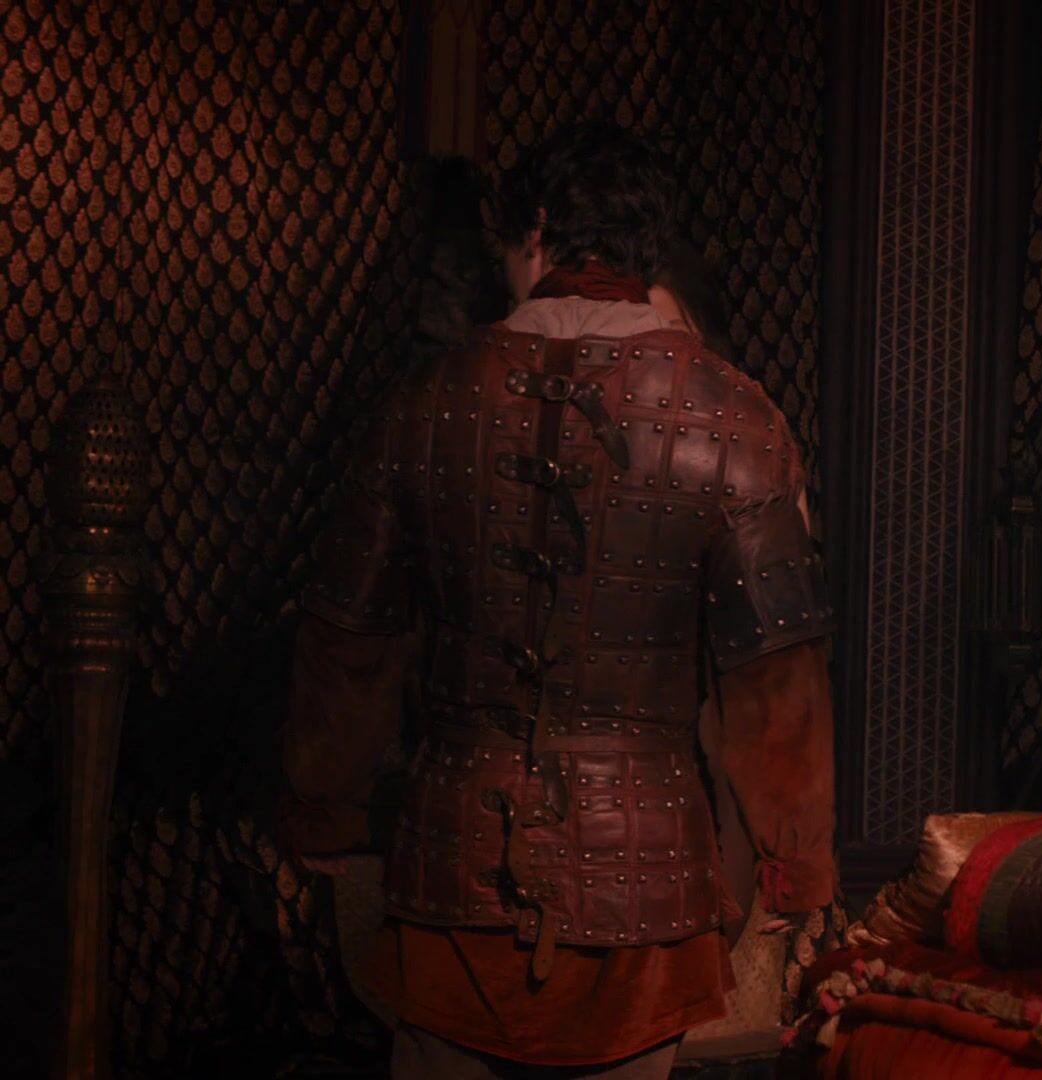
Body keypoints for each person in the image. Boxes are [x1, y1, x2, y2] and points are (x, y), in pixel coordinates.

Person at [277, 121, 837, 1079]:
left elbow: (351, 635)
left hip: (455, 868)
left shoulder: (423, 402)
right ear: (647, 246)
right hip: (646, 890)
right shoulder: (735, 416)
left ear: (533, 231)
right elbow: (775, 679)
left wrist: (321, 809)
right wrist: (794, 863)